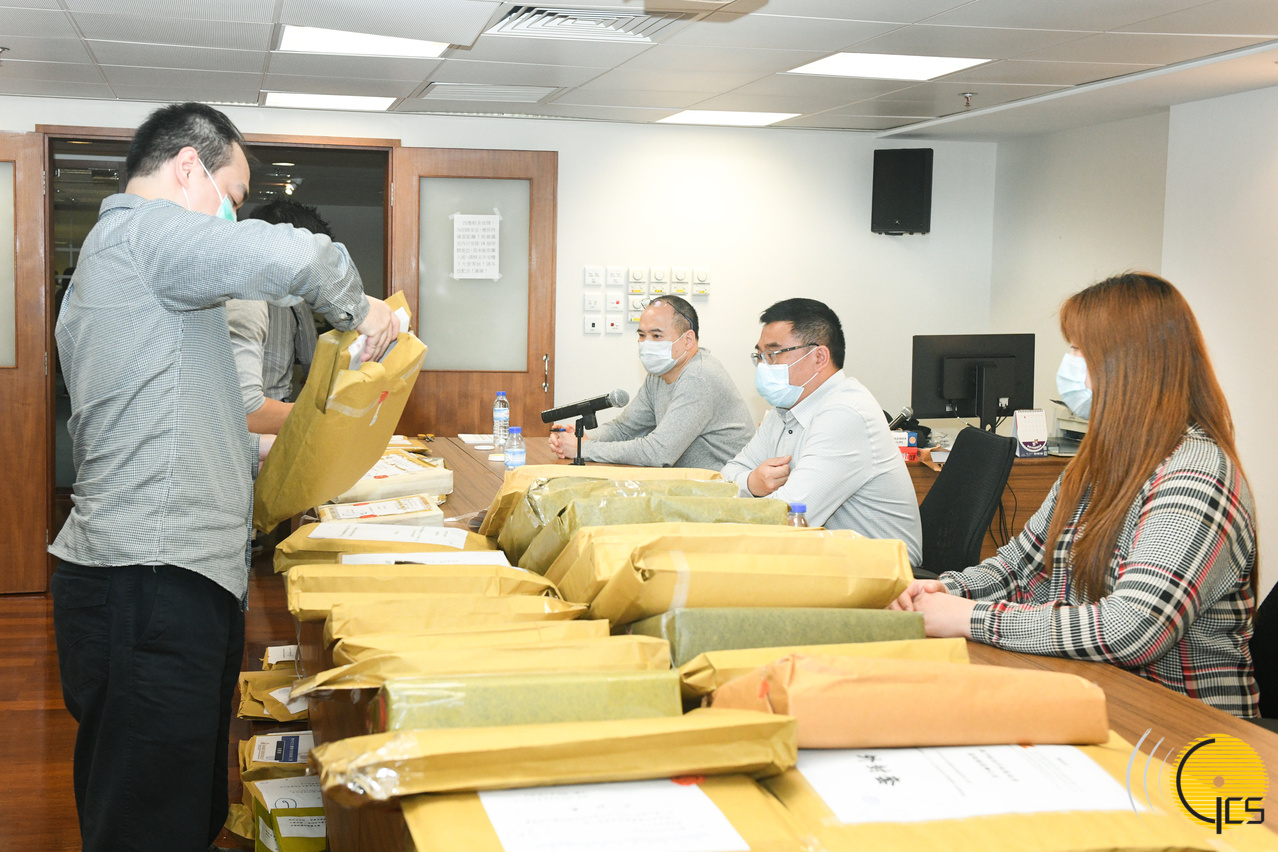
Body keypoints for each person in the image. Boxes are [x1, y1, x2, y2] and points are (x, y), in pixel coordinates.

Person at [48, 102, 399, 851]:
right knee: (150, 821)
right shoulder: (147, 234)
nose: (233, 217)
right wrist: (361, 309)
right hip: (150, 580)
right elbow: (304, 259)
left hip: (160, 576)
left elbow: (184, 412)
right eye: (233, 197)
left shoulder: (130, 261)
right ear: (187, 169)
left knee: (177, 806)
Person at [890, 273, 1258, 717]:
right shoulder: (1096, 461)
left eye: (1080, 350)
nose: (1069, 364)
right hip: (1094, 694)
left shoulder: (1196, 473)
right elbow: (1020, 565)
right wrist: (942, 591)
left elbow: (1134, 628)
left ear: (1131, 364)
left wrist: (969, 617)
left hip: (1184, 726)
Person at [722, 298, 922, 564]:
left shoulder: (845, 412)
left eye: (773, 354)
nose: (763, 366)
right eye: (759, 356)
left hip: (879, 569)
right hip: (821, 556)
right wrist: (751, 483)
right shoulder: (786, 407)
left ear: (819, 357)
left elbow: (789, 515)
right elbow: (728, 474)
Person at [548, 296, 754, 469]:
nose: (646, 343)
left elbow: (658, 452)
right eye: (641, 335)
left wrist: (583, 449)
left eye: (656, 335)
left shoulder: (699, 378)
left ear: (688, 340)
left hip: (722, 490)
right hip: (685, 485)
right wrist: (581, 437)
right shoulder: (660, 375)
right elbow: (625, 428)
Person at [226, 199, 329, 434]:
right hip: (267, 417)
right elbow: (314, 363)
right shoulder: (252, 301)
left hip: (241, 422)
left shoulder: (226, 289)